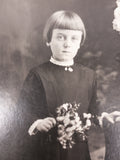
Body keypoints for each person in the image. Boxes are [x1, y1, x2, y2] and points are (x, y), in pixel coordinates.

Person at [16, 10, 120, 160]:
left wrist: (104, 117)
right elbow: (22, 110)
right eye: (60, 37)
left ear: (80, 43)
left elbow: (92, 109)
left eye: (73, 39)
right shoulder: (38, 74)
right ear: (48, 40)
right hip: (47, 150)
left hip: (79, 150)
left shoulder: (88, 75)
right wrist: (38, 123)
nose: (67, 44)